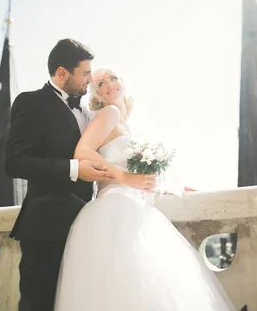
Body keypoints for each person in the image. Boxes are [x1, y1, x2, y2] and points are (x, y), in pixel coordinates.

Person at [54, 68, 235, 311]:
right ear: (96, 95)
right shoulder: (109, 113)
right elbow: (82, 153)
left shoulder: (127, 124)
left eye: (113, 78)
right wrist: (125, 177)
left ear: (123, 83)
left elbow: (139, 177)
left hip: (136, 208)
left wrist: (170, 187)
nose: (109, 85)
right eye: (100, 84)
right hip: (113, 210)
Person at [4, 39, 155, 311]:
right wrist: (75, 169)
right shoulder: (31, 102)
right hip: (47, 226)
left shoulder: (89, 114)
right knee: (39, 303)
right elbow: (15, 162)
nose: (90, 80)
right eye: (86, 74)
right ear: (63, 73)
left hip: (89, 225)